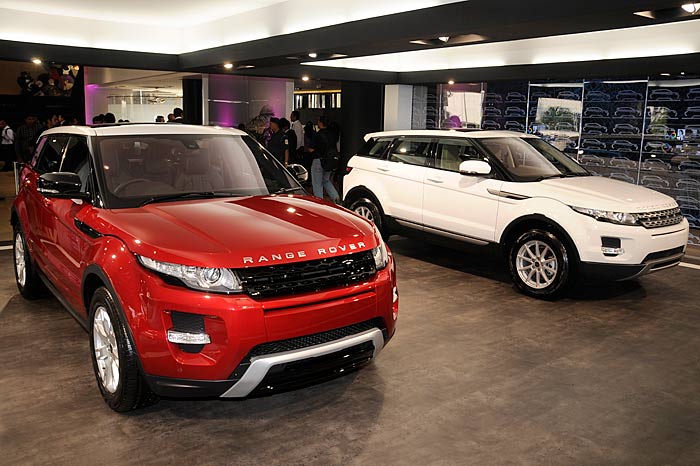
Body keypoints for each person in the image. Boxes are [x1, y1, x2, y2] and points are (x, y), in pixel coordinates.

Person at [308, 116, 340, 203]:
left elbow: (311, 148)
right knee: (326, 180)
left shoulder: (317, 134)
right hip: (329, 161)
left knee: (317, 184)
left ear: (320, 123)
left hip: (318, 160)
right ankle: (336, 198)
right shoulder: (332, 135)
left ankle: (320, 203)